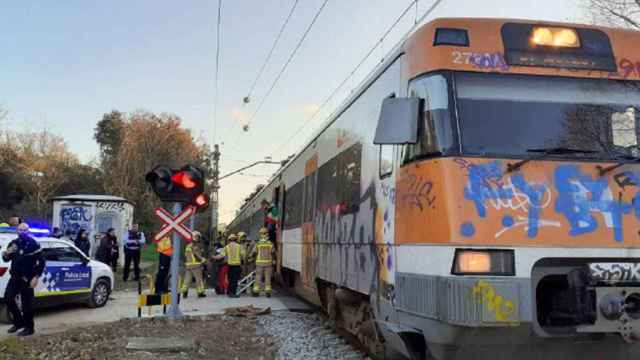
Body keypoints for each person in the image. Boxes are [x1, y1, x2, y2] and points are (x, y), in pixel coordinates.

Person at [2, 223, 45, 336]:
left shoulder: (34, 244)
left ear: (28, 231)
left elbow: (41, 263)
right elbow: (6, 259)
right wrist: (7, 253)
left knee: (27, 305)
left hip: (28, 279)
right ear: (17, 231)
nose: (22, 232)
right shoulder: (14, 243)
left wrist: (36, 277)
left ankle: (29, 328)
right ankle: (18, 322)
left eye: (25, 230)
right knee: (8, 298)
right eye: (20, 230)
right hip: (15, 277)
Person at [252, 227, 276, 297]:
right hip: (268, 263)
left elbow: (254, 252)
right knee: (267, 277)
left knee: (258, 276)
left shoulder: (258, 243)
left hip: (259, 263)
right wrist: (274, 260)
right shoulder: (270, 244)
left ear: (260, 234)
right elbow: (273, 252)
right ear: (267, 234)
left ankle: (256, 291)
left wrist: (251, 258)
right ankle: (268, 291)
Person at [181, 231, 206, 298]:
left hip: (188, 265)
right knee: (199, 280)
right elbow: (196, 255)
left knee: (187, 280)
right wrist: (203, 260)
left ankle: (184, 292)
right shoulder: (196, 246)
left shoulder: (188, 245)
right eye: (198, 237)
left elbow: (186, 255)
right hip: (196, 265)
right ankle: (200, 293)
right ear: (196, 237)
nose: (199, 238)